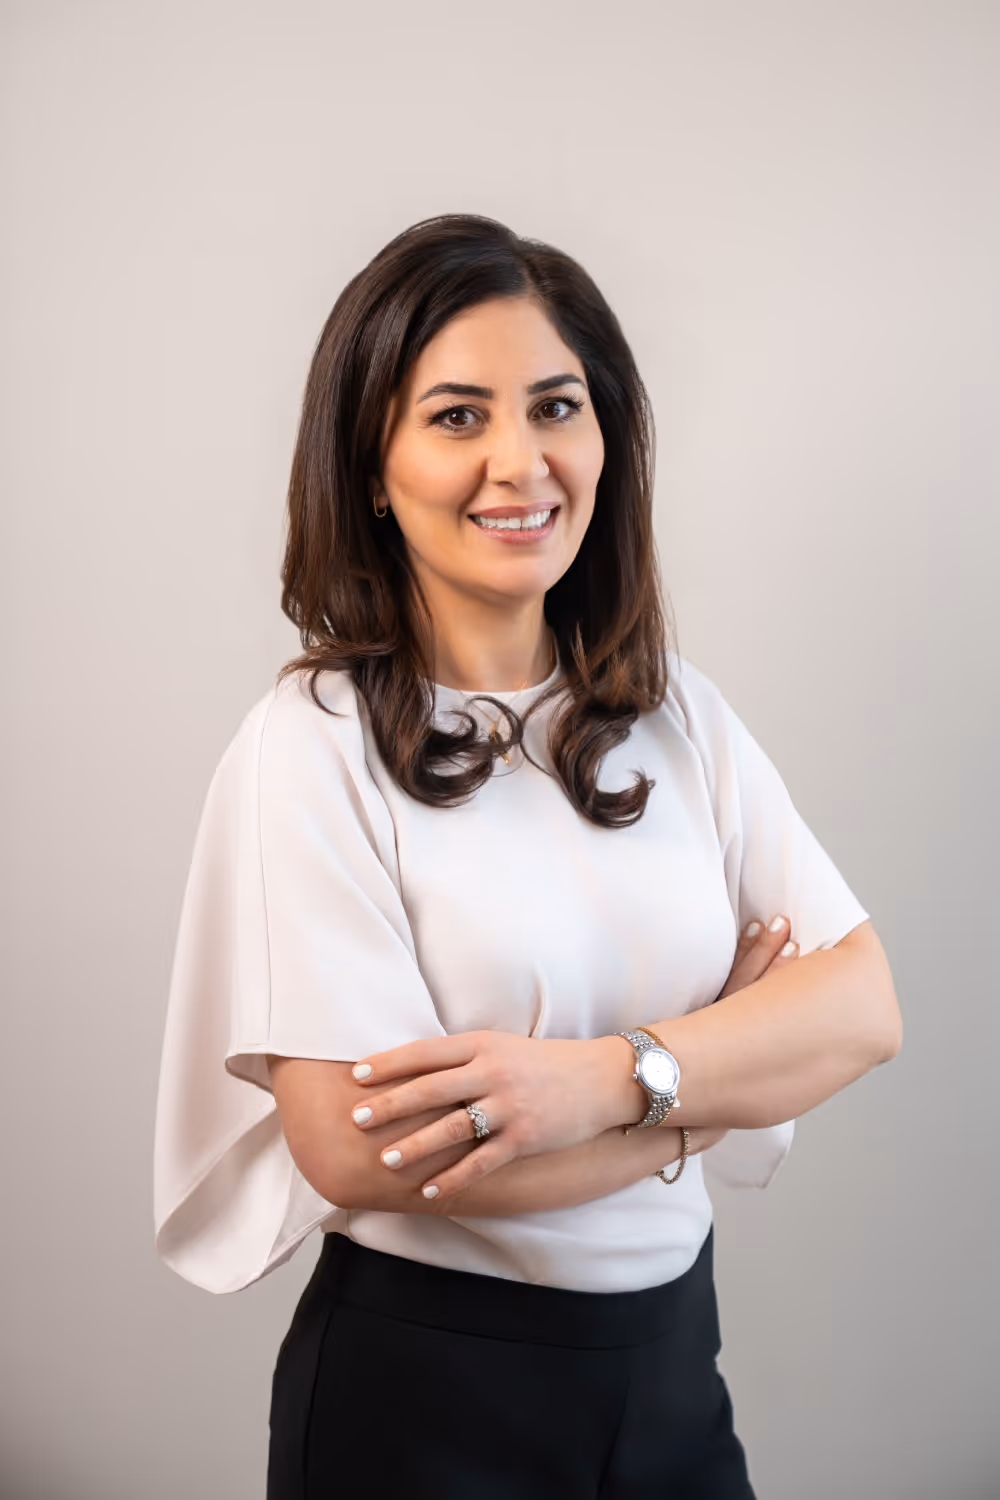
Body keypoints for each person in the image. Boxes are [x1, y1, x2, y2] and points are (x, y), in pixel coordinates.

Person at [152, 213, 902, 1499]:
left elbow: (862, 1008)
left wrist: (602, 1081)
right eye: (455, 417)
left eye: (557, 406)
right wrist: (704, 1089)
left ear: (606, 436)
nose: (520, 461)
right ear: (371, 467)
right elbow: (357, 1151)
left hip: (672, 1368)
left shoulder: (681, 719)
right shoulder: (311, 748)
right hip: (428, 1393)